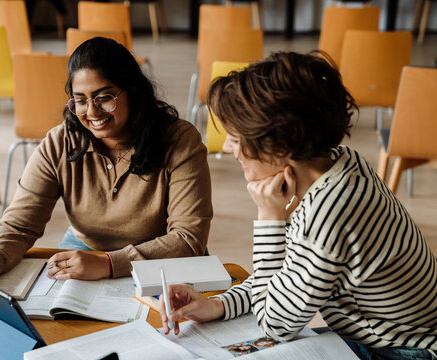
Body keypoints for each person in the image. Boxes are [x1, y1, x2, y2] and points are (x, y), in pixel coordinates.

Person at [160, 51, 437, 359]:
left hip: (402, 350)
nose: (226, 147)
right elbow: (286, 278)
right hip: (393, 333)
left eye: (235, 138)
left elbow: (274, 323)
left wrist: (269, 217)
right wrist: (219, 304)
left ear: (280, 146)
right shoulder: (341, 161)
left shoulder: (329, 213)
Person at [0, 37, 212, 310]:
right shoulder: (59, 142)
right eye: (80, 101)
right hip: (87, 247)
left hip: (161, 258)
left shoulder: (180, 141)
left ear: (133, 91)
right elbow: (19, 224)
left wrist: (109, 263)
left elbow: (187, 238)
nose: (92, 112)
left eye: (104, 98)